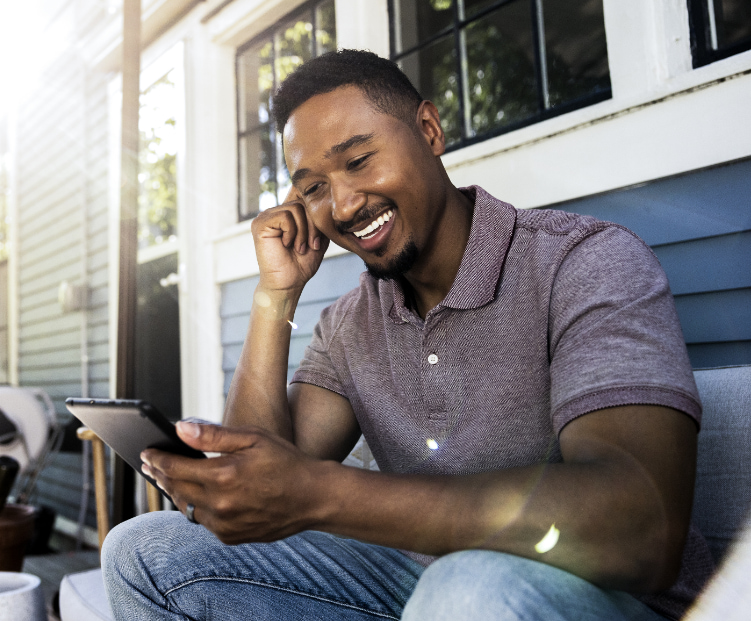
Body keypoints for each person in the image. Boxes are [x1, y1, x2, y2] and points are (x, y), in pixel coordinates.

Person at [103, 50, 714, 620]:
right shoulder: (349, 323)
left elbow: (642, 528)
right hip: (414, 586)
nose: (341, 205)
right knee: (144, 551)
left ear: (428, 130)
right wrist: (275, 297)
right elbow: (261, 485)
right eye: (313, 186)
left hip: (594, 598)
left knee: (469, 587)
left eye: (358, 160)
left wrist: (324, 495)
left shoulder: (582, 263)